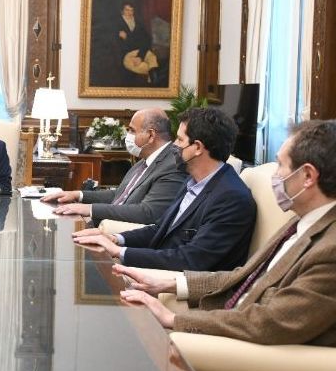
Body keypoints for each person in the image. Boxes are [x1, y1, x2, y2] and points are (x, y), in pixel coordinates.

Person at [118, 120, 336, 346]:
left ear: (308, 176)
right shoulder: (301, 221)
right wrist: (168, 283)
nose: (275, 175)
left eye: (280, 165)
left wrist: (172, 319)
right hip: (232, 315)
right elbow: (244, 276)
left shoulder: (330, 248)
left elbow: (274, 322)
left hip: (250, 347)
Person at [73, 108, 256, 271]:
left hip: (181, 282)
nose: (174, 145)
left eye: (179, 139)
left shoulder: (231, 198)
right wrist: (115, 238)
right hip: (160, 264)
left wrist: (121, 252)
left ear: (198, 147)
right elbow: (160, 229)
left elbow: (191, 259)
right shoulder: (192, 181)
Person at [43, 108, 185, 225]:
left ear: (151, 135)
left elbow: (148, 213)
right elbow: (120, 195)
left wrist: (89, 209)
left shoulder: (172, 165)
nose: (127, 136)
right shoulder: (144, 160)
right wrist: (77, 195)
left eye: (132, 130)